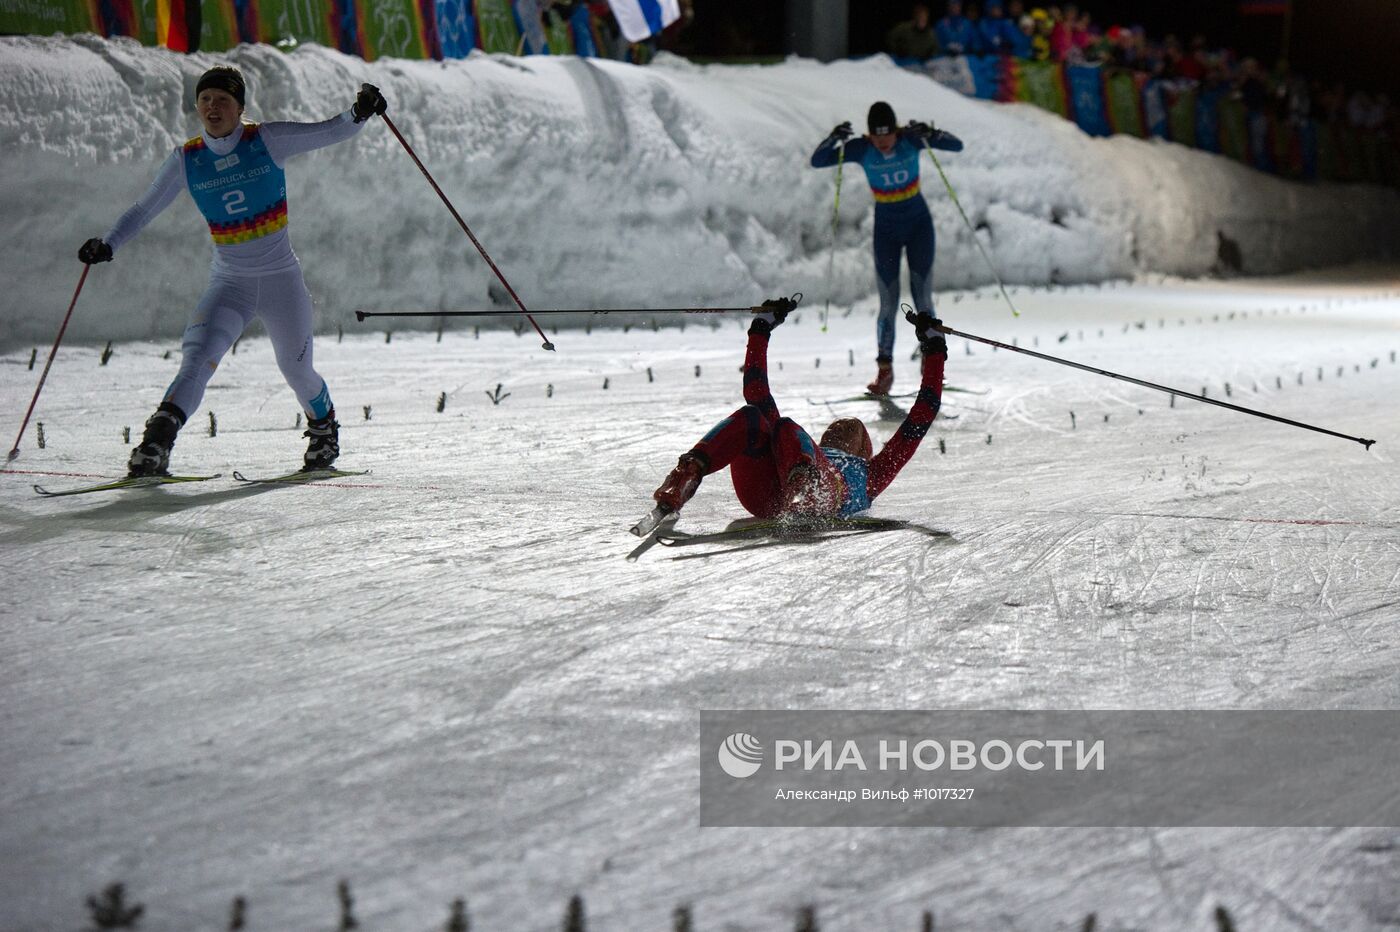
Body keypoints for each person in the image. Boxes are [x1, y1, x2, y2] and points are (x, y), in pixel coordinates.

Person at [78, 66, 387, 477]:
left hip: (281, 282)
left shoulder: (265, 140)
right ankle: (156, 444)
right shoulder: (187, 159)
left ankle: (324, 426)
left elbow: (328, 131)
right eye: (205, 99)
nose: (213, 107)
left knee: (296, 369)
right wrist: (109, 243)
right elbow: (144, 208)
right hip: (230, 284)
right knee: (197, 359)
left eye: (223, 100)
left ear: (240, 107)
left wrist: (358, 112)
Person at [649, 298, 948, 521]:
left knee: (785, 426)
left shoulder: (872, 475)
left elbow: (922, 416)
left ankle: (804, 492)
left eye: (851, 428)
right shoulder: (796, 447)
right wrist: (761, 327)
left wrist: (934, 350)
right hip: (771, 491)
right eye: (837, 426)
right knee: (754, 417)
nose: (839, 427)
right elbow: (756, 392)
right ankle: (685, 476)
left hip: (823, 495)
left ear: (863, 451)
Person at [810, 101, 963, 395]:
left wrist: (931, 132)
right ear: (869, 135)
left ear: (897, 130)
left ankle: (931, 368)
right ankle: (885, 372)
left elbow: (957, 146)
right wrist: (834, 138)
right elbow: (818, 161)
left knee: (923, 300)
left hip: (919, 226)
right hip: (887, 230)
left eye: (887, 135)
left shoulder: (911, 139)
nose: (882, 142)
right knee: (888, 303)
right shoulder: (860, 148)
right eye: (876, 136)